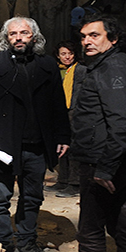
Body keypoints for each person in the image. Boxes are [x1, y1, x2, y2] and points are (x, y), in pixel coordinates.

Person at [0, 17, 70, 252]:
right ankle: (2, 244)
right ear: (6, 38)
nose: (18, 38)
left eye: (24, 33)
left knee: (33, 197)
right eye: (13, 34)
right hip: (1, 145)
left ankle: (27, 243)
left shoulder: (47, 65)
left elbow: (58, 105)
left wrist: (63, 135)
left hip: (36, 144)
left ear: (34, 36)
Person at [71, 14, 126, 252]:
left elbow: (121, 123)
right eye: (83, 37)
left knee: (91, 227)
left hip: (103, 160)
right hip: (114, 157)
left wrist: (104, 168)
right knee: (123, 222)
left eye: (94, 35)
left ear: (113, 39)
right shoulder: (108, 65)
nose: (86, 41)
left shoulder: (112, 68)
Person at [48, 41, 83, 198]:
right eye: (63, 54)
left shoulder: (81, 70)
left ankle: (75, 184)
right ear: (58, 55)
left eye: (70, 54)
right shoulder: (57, 70)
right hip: (60, 111)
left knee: (74, 146)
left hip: (75, 111)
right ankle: (63, 180)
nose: (67, 57)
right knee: (61, 146)